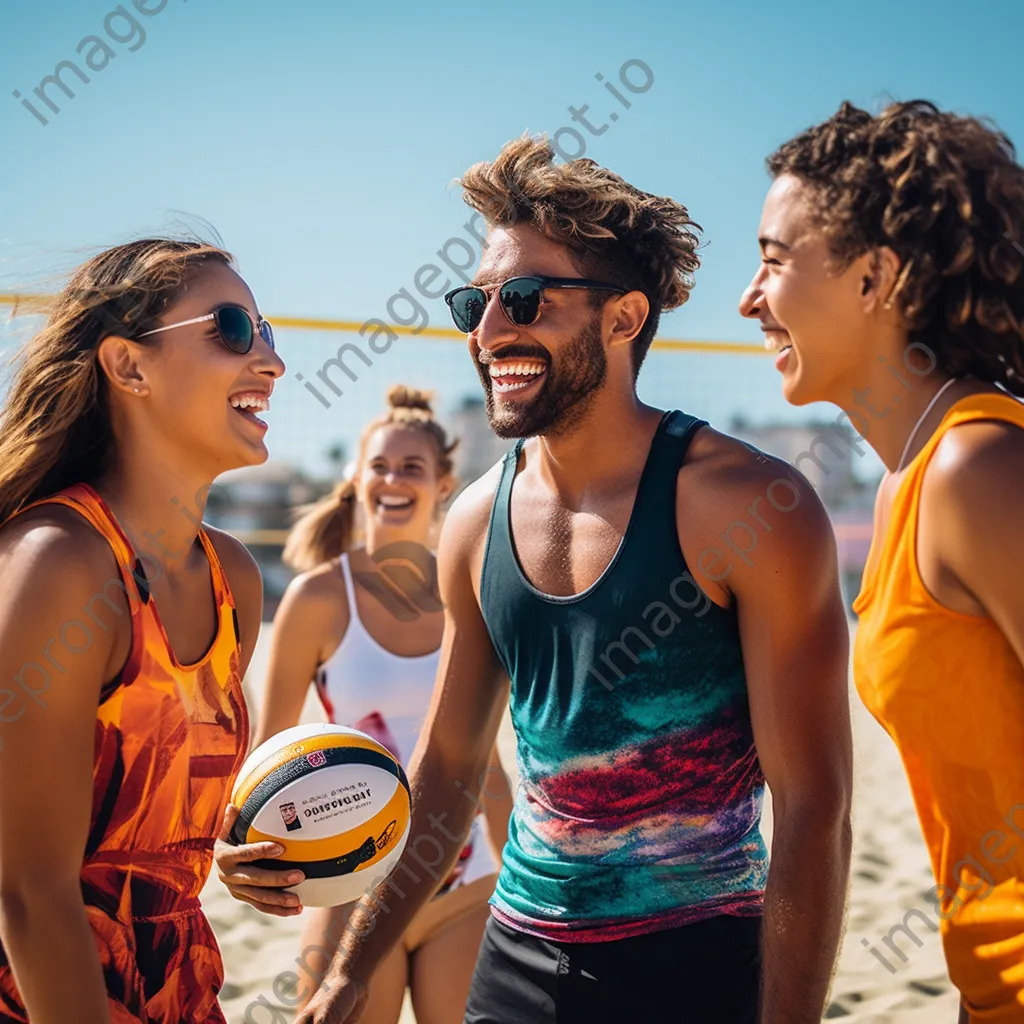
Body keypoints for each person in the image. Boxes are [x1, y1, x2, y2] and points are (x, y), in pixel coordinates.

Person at [287, 136, 854, 1024]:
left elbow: (815, 808)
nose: (487, 332)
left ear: (624, 319)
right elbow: (448, 773)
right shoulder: (473, 521)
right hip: (517, 954)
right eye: (476, 302)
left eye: (522, 299)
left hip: (696, 959)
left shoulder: (747, 505)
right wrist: (350, 971)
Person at [739, 99, 1024, 1023]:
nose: (750, 296)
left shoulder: (976, 468)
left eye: (775, 260)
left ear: (876, 277)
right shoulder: (914, 479)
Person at [0, 239, 284, 1023]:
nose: (270, 360)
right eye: (231, 328)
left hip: (181, 991)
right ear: (129, 367)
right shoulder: (59, 563)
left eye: (267, 333)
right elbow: (27, 892)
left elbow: (141, 813)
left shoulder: (234, 578)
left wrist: (219, 849)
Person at [214, 386, 513, 1023]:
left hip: (462, 878)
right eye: (379, 465)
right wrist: (235, 842)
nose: (393, 480)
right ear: (356, 478)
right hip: (346, 875)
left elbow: (481, 757)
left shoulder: (474, 590)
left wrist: (520, 865)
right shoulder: (317, 598)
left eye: (413, 468)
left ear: (443, 483)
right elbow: (269, 744)